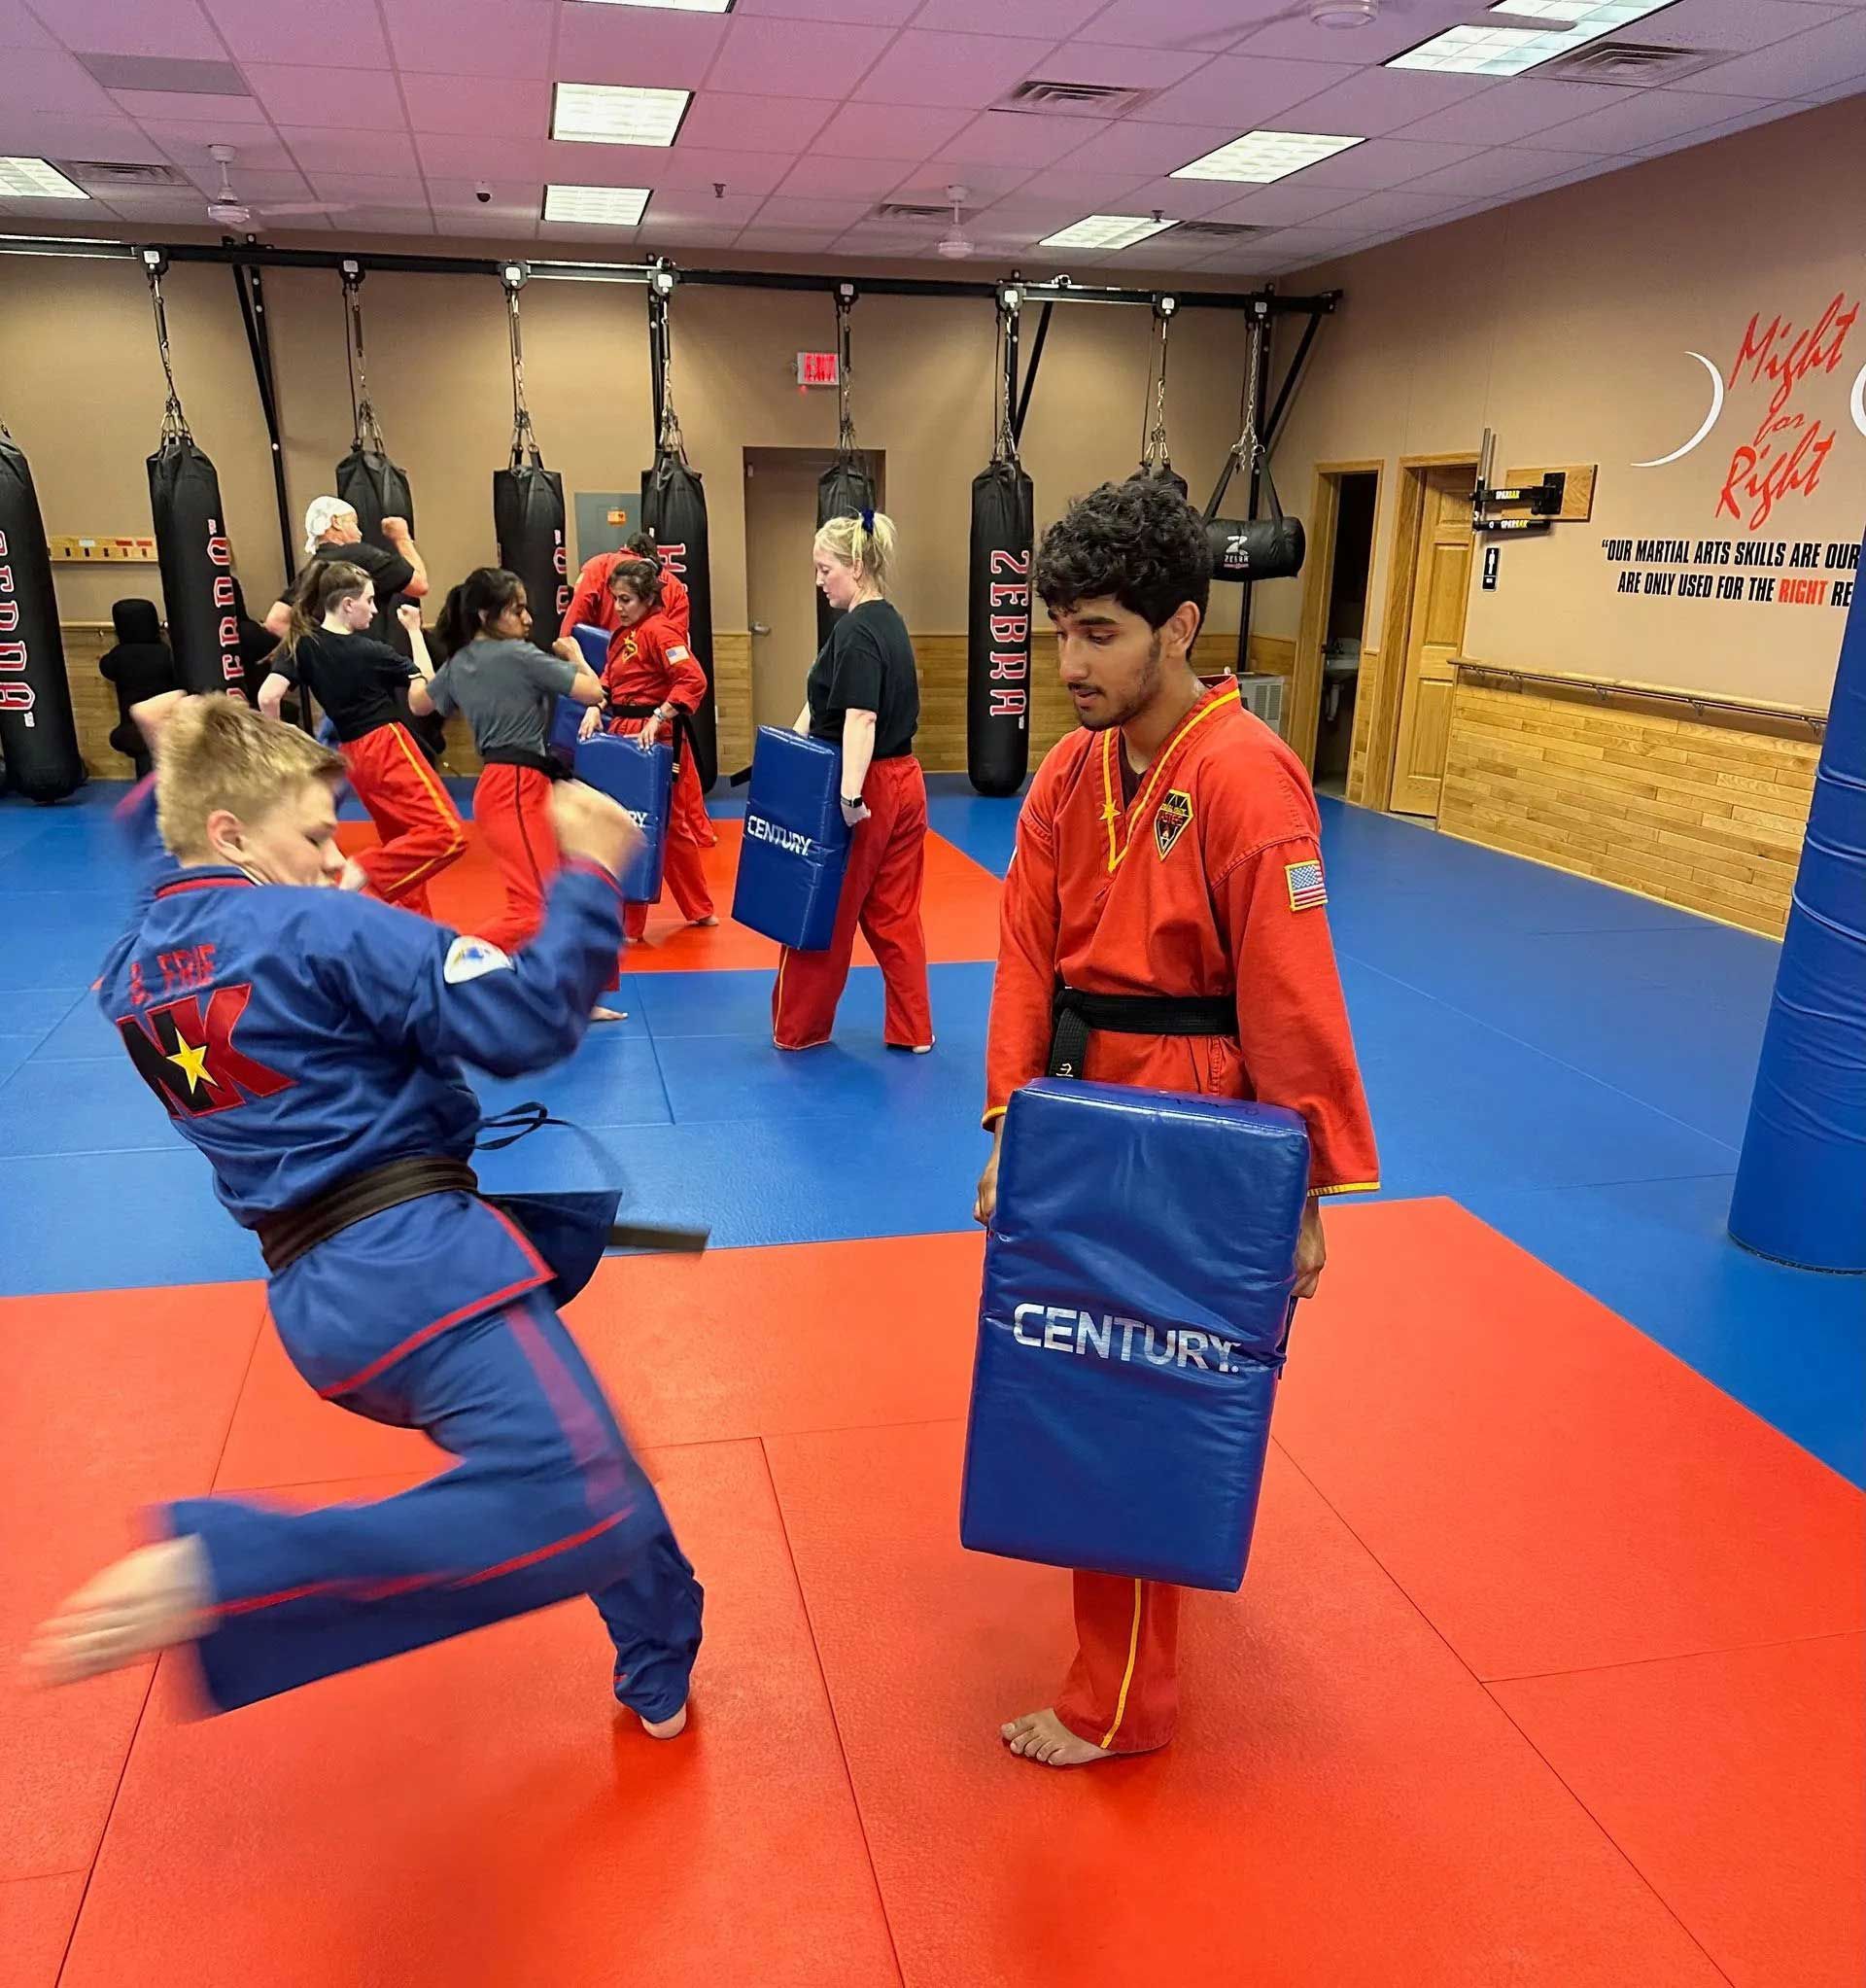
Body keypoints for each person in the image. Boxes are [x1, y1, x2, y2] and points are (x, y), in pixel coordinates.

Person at [26, 693, 703, 1730]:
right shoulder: (316, 923)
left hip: (322, 1301)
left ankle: (658, 1659)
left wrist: (179, 753)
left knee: (587, 1444)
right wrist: (588, 873)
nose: (331, 858)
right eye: (308, 836)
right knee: (582, 1495)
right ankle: (235, 1568)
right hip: (418, 1268)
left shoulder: (125, 971)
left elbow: (170, 875)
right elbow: (523, 1022)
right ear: (232, 833)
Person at [975, 479, 1378, 1768]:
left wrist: (1298, 1190)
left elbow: (1290, 989)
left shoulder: (1248, 778)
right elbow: (1025, 952)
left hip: (1196, 1119)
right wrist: (1010, 1132)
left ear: (1180, 624)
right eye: (1059, 634)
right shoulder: (1069, 769)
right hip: (1084, 1103)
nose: (1071, 661)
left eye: (1100, 632)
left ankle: (1121, 1704)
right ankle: (1125, 1666)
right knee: (1076, 1379)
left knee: (1142, 1406)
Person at [417, 567, 624, 1022]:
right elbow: (594, 693)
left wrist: (414, 640)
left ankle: (567, 998)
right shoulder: (518, 655)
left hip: (511, 785)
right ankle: (441, 972)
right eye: (517, 609)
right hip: (515, 786)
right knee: (532, 911)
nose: (528, 619)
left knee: (557, 892)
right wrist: (575, 655)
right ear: (489, 614)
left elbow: (418, 703)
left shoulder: (460, 661)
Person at [772, 510, 931, 1054]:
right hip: (907, 779)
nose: (819, 582)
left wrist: (848, 795)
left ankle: (800, 1030)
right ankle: (915, 1031)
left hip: (867, 785)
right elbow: (823, 704)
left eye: (824, 570)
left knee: (826, 910)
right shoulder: (889, 620)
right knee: (894, 913)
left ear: (857, 567)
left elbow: (859, 718)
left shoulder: (858, 630)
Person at [257, 561, 466, 915]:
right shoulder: (371, 653)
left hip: (354, 757)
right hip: (387, 744)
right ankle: (365, 868)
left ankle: (410, 933)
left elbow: (268, 697)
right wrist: (414, 631)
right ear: (347, 604)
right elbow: (424, 698)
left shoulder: (301, 643)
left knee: (401, 843)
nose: (373, 609)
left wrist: (279, 742)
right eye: (369, 601)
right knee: (448, 835)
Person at [576, 558, 716, 943]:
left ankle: (645, 921)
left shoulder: (661, 632)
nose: (618, 607)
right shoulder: (624, 634)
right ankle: (698, 909)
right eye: (615, 599)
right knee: (645, 826)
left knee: (652, 826)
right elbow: (610, 679)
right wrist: (595, 706)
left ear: (647, 599)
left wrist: (659, 716)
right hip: (623, 734)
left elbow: (693, 679)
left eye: (626, 600)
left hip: (653, 741)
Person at [269, 498, 443, 761]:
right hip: (371, 697)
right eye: (353, 522)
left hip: (336, 695)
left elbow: (275, 620)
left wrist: (324, 654)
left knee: (336, 760)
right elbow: (419, 585)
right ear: (335, 523)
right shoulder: (361, 556)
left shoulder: (315, 568)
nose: (360, 531)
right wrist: (402, 537)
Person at [561, 529, 689, 645]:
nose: (618, 607)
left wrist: (566, 651)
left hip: (601, 662)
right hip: (646, 663)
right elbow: (676, 642)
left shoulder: (598, 567)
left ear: (626, 547)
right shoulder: (674, 587)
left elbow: (576, 615)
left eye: (625, 599)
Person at [97, 598, 178, 777]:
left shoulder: (119, 656)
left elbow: (106, 668)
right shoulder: (165, 652)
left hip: (131, 730)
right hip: (165, 727)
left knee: (140, 744)